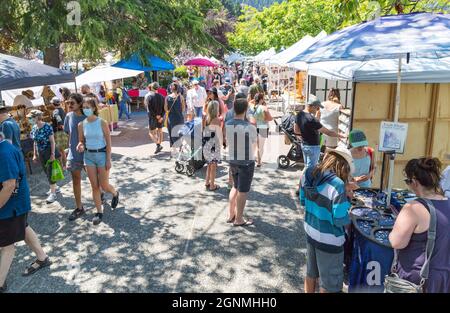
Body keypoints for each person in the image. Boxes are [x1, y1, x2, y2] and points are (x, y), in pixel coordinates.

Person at [389, 158, 450, 293]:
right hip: (443, 277)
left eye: (408, 182)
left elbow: (397, 242)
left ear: (415, 182)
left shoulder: (414, 208)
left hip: (415, 280)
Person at [0, 139, 51, 293]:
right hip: (13, 205)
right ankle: (42, 258)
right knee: (24, 227)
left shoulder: (4, 153)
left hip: (12, 206)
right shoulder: (5, 148)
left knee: (6, 245)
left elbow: (9, 185)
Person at [301, 146, 354, 293]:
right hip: (330, 239)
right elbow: (340, 219)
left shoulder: (308, 173)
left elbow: (303, 201)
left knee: (311, 273)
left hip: (311, 231)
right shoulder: (338, 185)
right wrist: (348, 201)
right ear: (343, 165)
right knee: (329, 284)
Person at [76, 97, 120, 225]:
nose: (85, 109)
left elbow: (108, 142)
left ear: (94, 108)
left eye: (88, 107)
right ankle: (99, 212)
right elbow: (81, 141)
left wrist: (108, 159)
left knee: (104, 186)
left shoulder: (102, 122)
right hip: (88, 156)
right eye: (84, 107)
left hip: (101, 155)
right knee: (94, 186)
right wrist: (79, 145)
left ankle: (115, 193)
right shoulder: (81, 124)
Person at [225, 98, 257, 227]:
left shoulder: (228, 123)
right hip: (246, 162)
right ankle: (239, 219)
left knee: (235, 187)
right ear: (245, 110)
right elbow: (254, 145)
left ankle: (230, 214)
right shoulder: (249, 126)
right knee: (243, 191)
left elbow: (227, 140)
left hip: (233, 160)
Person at [294, 95, 343, 173]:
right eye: (317, 108)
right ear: (312, 106)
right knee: (311, 170)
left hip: (304, 145)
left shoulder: (299, 114)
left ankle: (303, 182)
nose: (318, 110)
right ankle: (306, 184)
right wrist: (340, 135)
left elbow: (296, 130)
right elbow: (328, 132)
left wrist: (304, 134)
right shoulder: (312, 119)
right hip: (313, 147)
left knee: (307, 167)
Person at [29, 110, 61, 204]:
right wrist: (35, 154)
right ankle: (55, 187)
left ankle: (53, 193)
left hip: (48, 151)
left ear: (37, 117)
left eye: (31, 117)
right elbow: (35, 142)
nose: (29, 119)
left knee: (50, 171)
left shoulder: (47, 126)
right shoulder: (34, 127)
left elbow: (52, 141)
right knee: (46, 171)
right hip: (40, 152)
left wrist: (52, 154)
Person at [64, 93, 87, 221]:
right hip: (73, 153)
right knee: (76, 180)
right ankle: (79, 207)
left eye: (72, 103)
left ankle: (100, 194)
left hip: (88, 153)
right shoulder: (68, 116)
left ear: (80, 104)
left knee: (94, 179)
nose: (69, 105)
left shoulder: (87, 116)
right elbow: (68, 133)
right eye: (68, 103)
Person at [250, 93, 273, 167]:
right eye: (263, 98)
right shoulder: (264, 107)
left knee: (253, 145)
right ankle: (259, 162)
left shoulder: (251, 106)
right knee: (261, 146)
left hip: (253, 127)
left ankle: (251, 159)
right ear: (261, 99)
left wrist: (255, 99)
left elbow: (250, 102)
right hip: (263, 127)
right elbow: (270, 118)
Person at [203, 101, 222, 192]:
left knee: (209, 164)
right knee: (213, 166)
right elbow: (218, 134)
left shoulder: (206, 118)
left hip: (206, 145)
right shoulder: (217, 120)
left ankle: (207, 182)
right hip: (214, 145)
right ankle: (212, 185)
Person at [145, 82, 165, 154]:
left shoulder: (149, 97)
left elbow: (149, 109)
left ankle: (158, 144)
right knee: (160, 130)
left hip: (153, 117)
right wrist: (161, 116)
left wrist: (156, 115)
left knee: (151, 132)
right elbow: (164, 108)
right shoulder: (162, 96)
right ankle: (159, 144)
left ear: (152, 88)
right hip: (160, 116)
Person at [51, 97, 68, 170]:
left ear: (53, 103)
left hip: (58, 132)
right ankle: (64, 165)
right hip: (62, 131)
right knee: (62, 150)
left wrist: (60, 125)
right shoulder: (62, 110)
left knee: (60, 151)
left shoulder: (55, 111)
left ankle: (63, 166)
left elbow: (59, 120)